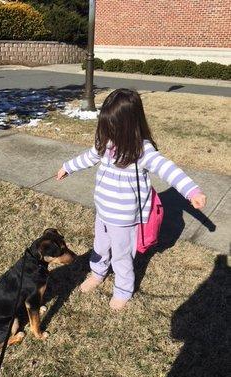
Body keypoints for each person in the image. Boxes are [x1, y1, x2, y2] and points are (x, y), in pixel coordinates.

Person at [57, 89, 206, 311]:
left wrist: (192, 191)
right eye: (106, 125)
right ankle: (97, 272)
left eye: (113, 126)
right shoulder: (106, 143)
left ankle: (123, 289)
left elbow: (168, 170)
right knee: (99, 245)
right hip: (103, 212)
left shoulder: (141, 150)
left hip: (124, 219)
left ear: (129, 125)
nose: (108, 131)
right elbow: (89, 156)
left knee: (122, 255)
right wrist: (67, 167)